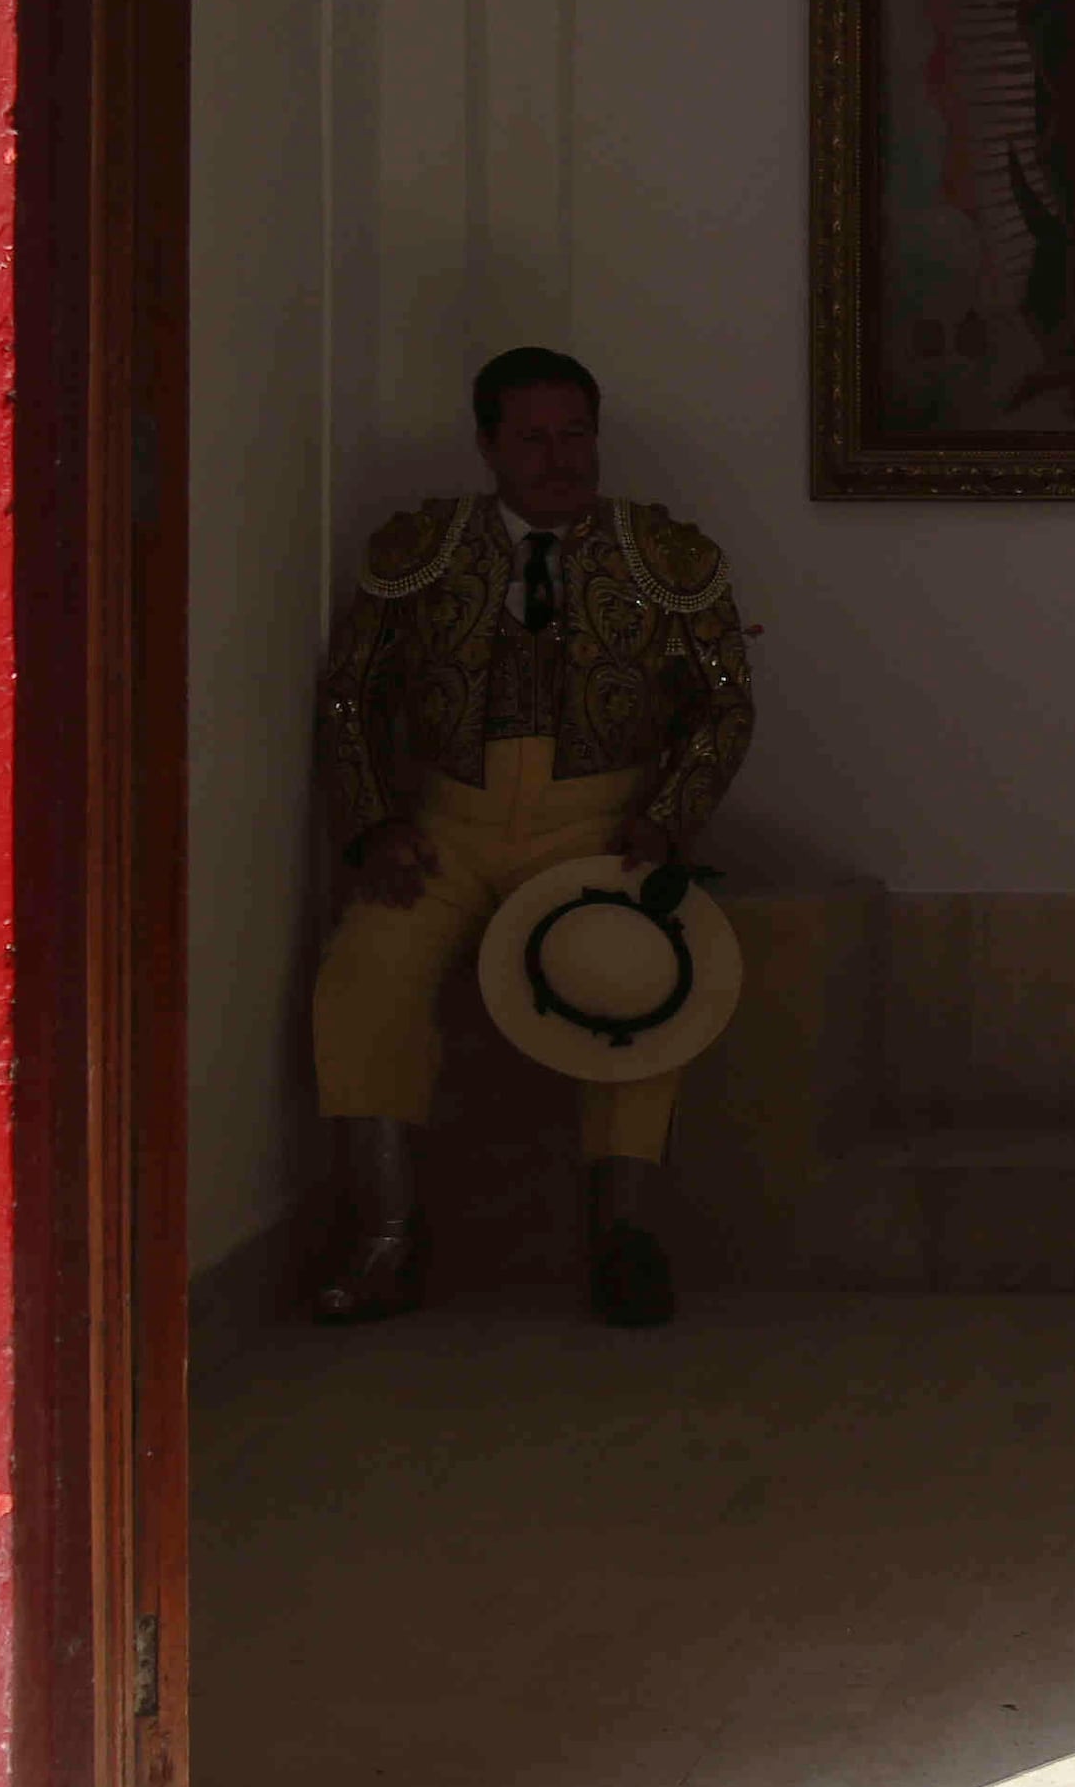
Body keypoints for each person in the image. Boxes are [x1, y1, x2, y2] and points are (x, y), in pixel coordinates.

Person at [310, 345, 756, 1330]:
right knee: (363, 970)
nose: (559, 459)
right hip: (446, 826)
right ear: (487, 445)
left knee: (637, 976)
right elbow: (348, 695)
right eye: (533, 439)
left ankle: (623, 1232)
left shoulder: (662, 556)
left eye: (575, 435)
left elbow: (724, 708)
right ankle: (386, 1234)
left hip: (597, 827)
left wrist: (666, 814)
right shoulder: (421, 552)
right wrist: (376, 822)